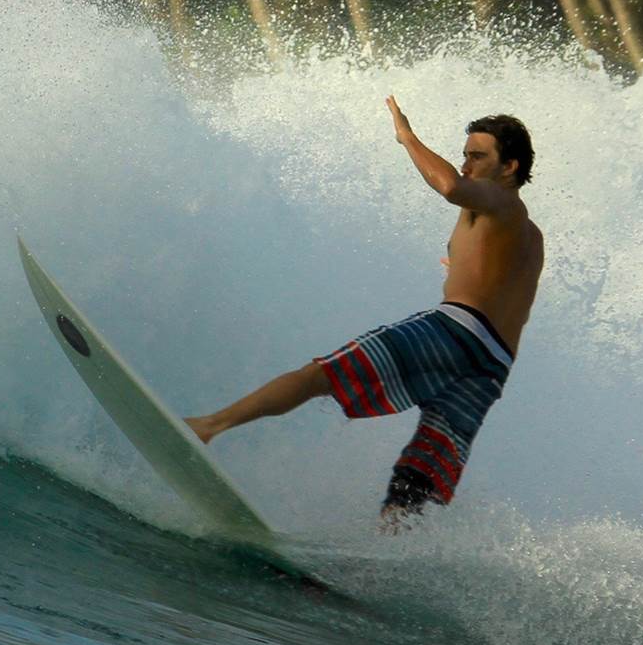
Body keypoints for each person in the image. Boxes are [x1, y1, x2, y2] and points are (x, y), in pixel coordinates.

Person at [188, 100, 543, 532]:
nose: (465, 165)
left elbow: (448, 186)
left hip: (454, 334)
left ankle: (208, 426)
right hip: (490, 367)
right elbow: (504, 292)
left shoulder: (498, 201)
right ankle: (386, 553)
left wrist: (407, 137)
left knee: (318, 377)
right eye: (464, 154)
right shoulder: (529, 235)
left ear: (510, 168)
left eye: (477, 156)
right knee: (417, 478)